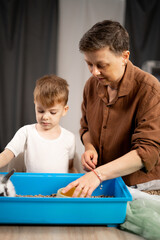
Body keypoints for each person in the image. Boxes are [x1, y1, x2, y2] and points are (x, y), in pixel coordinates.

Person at [62, 20, 160, 197]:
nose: (94, 72)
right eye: (89, 64)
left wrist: (98, 174)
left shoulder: (150, 89)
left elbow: (146, 152)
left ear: (124, 57)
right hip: (105, 183)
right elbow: (86, 128)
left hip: (144, 189)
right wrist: (90, 148)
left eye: (101, 65)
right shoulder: (91, 86)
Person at [0, 75, 77, 173]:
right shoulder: (26, 132)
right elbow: (7, 154)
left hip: (59, 187)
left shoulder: (69, 138)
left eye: (52, 112)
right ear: (35, 105)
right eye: (40, 111)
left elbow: (70, 168)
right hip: (33, 186)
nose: (45, 117)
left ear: (64, 110)